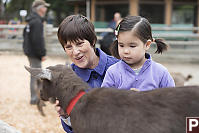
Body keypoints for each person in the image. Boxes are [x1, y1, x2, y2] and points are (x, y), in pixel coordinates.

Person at [56, 14, 119, 133]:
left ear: (93, 41)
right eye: (68, 47)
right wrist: (65, 116)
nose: (75, 52)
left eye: (79, 43)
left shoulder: (118, 68)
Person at [101, 16, 175, 90]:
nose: (126, 51)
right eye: (121, 45)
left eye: (132, 46)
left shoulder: (160, 72)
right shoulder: (113, 72)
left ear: (147, 45)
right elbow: (105, 98)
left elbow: (170, 98)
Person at [23, 0, 49, 105]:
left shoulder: (31, 20)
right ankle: (35, 98)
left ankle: (35, 97)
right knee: (36, 75)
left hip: (30, 52)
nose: (46, 9)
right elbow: (37, 40)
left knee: (34, 74)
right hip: (35, 53)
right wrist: (42, 53)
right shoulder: (37, 22)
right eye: (45, 7)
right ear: (40, 8)